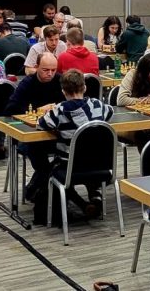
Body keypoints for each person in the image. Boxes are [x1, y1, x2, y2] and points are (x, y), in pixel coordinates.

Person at [37, 69, 114, 216]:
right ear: (84, 88)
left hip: (69, 167)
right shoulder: (97, 105)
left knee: (50, 170)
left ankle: (81, 203)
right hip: (99, 165)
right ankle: (95, 196)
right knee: (88, 154)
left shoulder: (59, 110)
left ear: (63, 91)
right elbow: (110, 112)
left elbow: (41, 124)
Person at [4, 52, 63, 200]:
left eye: (53, 70)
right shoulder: (27, 83)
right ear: (36, 67)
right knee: (36, 148)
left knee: (71, 149)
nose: (50, 74)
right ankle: (43, 184)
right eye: (45, 70)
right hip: (29, 137)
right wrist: (38, 110)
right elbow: (10, 109)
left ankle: (39, 186)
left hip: (54, 134)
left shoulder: (60, 80)